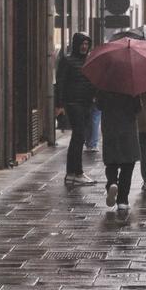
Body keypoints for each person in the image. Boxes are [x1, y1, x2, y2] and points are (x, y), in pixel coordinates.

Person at [55, 32, 96, 186]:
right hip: (73, 103)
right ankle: (76, 172)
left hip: (86, 103)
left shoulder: (89, 61)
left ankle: (72, 173)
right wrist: (59, 105)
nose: (84, 47)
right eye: (82, 44)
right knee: (79, 136)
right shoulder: (67, 60)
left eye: (87, 44)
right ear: (76, 44)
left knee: (78, 138)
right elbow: (60, 82)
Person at [97, 89, 142, 215]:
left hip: (110, 126)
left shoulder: (105, 84)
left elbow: (99, 105)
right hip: (127, 128)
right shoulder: (132, 85)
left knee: (111, 160)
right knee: (128, 164)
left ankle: (112, 182)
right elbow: (138, 108)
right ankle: (123, 200)